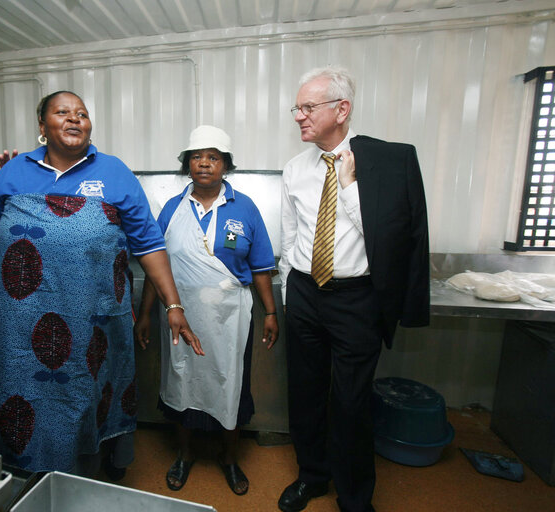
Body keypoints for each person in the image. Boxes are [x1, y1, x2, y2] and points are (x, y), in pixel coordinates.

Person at [0, 90, 200, 475]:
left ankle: (86, 474)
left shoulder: (114, 173)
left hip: (92, 320)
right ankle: (21, 470)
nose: (75, 119)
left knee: (84, 394)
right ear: (42, 126)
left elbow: (149, 245)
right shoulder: (14, 172)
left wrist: (173, 305)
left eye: (82, 113)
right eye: (63, 112)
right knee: (23, 392)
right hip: (20, 323)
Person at [278, 66, 429, 512]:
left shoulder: (385, 164)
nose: (299, 116)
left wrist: (348, 188)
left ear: (341, 110)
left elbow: (390, 241)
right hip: (305, 293)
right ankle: (312, 477)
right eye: (297, 108)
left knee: (350, 403)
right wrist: (291, 289)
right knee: (305, 395)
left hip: (356, 299)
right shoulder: (294, 169)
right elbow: (290, 237)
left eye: (308, 107)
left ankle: (355, 497)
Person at [134, 125, 278, 495]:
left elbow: (261, 266)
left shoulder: (244, 208)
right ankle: (184, 454)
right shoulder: (171, 209)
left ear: (225, 165)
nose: (204, 164)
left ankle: (229, 459)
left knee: (229, 383)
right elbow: (154, 266)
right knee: (182, 380)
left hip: (229, 319)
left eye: (213, 157)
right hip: (179, 315)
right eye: (196, 157)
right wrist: (145, 315)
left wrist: (271, 312)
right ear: (187, 165)